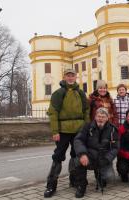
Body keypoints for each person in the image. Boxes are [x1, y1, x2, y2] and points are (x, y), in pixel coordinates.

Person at [44, 68, 90, 198]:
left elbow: (86, 110)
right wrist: (55, 131)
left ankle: (77, 181)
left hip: (78, 130)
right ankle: (51, 185)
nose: (70, 78)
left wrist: (85, 127)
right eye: (68, 76)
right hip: (63, 130)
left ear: (76, 77)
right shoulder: (58, 93)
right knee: (58, 156)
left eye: (73, 76)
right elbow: (53, 113)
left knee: (77, 155)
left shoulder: (80, 93)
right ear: (64, 77)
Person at [73, 107, 119, 198]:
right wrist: (82, 154)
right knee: (78, 161)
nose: (100, 118)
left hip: (104, 158)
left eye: (103, 116)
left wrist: (107, 159)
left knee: (110, 178)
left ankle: (99, 177)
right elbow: (78, 140)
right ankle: (81, 185)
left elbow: (115, 148)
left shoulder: (113, 129)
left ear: (107, 118)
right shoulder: (87, 127)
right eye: (98, 116)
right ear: (95, 117)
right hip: (90, 156)